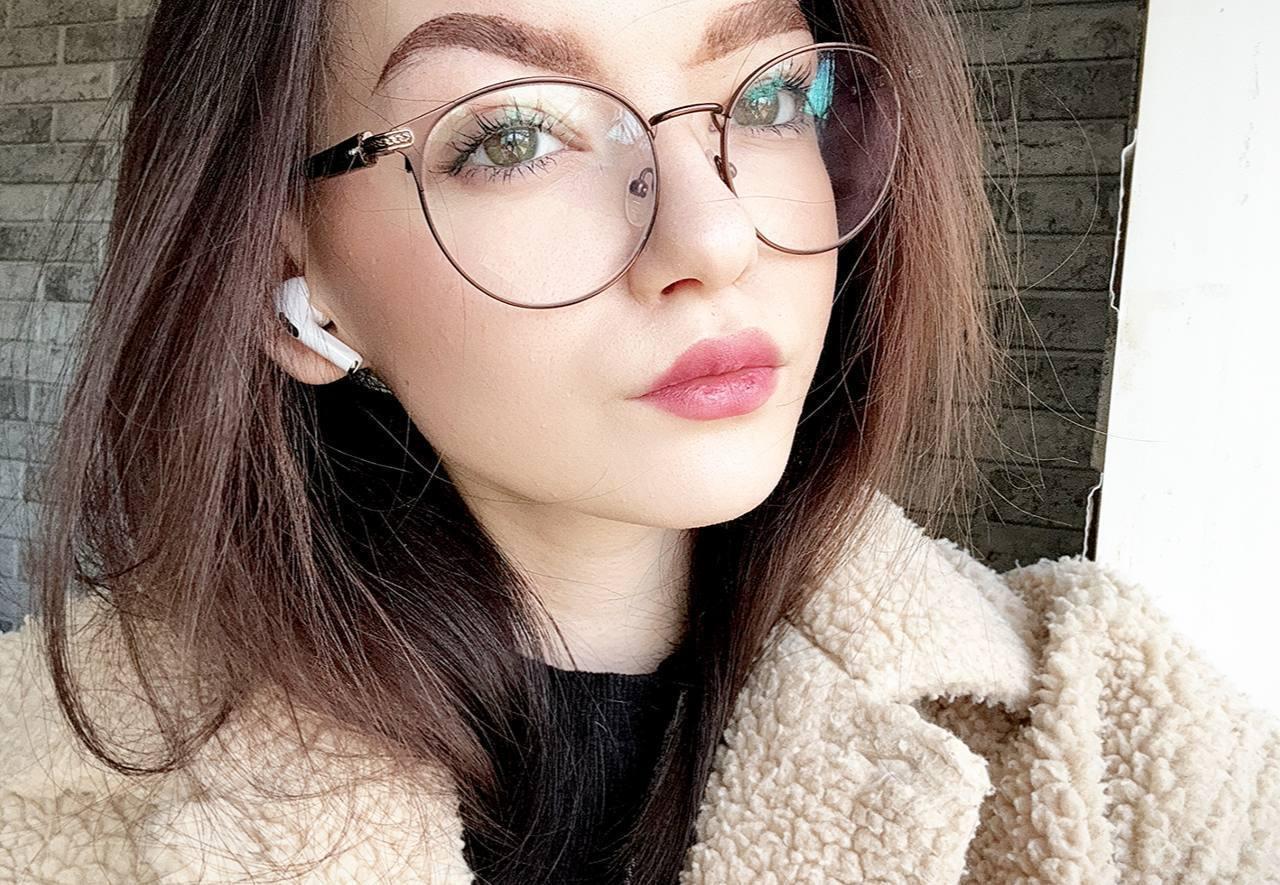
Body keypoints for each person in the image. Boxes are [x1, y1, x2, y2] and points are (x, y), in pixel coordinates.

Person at [1, 0, 1277, 882]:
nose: (713, 237)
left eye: (769, 96)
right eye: (513, 135)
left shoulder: (1100, 738)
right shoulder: (39, 786)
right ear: (288, 276)